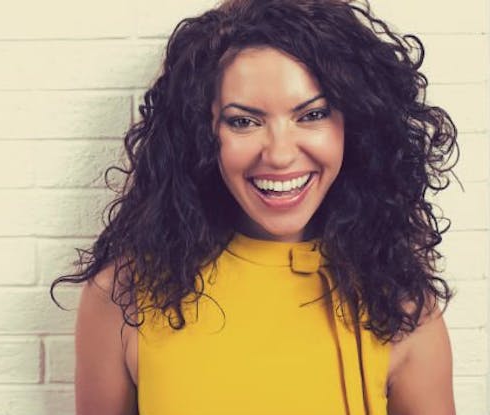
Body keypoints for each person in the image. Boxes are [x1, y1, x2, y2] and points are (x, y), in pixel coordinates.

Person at [50, 0, 459, 413]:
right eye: (243, 121)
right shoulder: (122, 297)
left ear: (355, 125)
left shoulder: (401, 308)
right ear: (201, 133)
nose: (280, 155)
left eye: (312, 114)